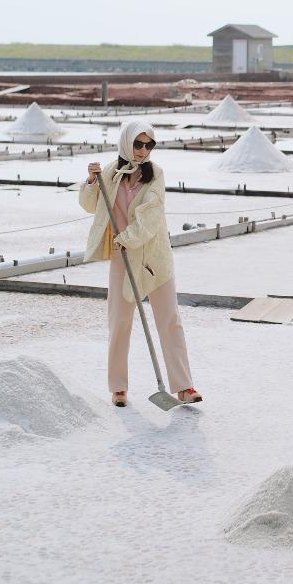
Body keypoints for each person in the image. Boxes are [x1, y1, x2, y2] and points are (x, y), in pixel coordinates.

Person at [78, 120, 202, 407]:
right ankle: (118, 387)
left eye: (149, 145)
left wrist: (127, 238)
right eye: (138, 144)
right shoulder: (110, 172)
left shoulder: (155, 174)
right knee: (119, 322)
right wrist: (92, 181)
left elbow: (151, 214)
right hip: (122, 257)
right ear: (126, 142)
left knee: (169, 320)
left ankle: (184, 386)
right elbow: (90, 205)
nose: (143, 150)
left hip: (153, 257)